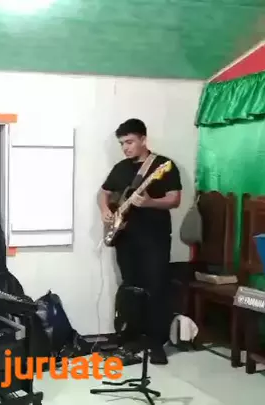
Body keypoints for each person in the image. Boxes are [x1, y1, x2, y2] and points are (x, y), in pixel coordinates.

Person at [97, 118, 182, 365]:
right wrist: (105, 209)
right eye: (122, 143)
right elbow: (103, 192)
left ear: (143, 139)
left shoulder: (163, 166)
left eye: (130, 142)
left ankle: (156, 343)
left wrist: (150, 203)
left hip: (154, 237)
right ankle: (130, 340)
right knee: (130, 287)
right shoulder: (120, 168)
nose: (125, 148)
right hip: (125, 237)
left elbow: (175, 199)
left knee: (156, 287)